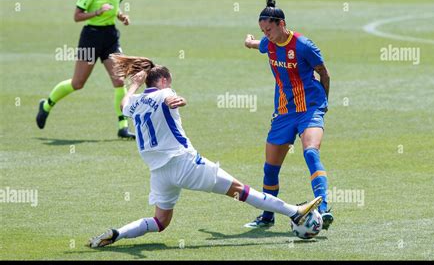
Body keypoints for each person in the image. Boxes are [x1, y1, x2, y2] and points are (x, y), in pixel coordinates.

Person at [88, 54, 322, 248]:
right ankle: (295, 212)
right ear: (165, 80)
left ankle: (117, 233)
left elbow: (123, 104)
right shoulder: (165, 93)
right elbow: (171, 98)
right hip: (186, 164)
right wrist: (177, 100)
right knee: (241, 191)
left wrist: (135, 84)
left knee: (160, 222)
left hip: (159, 173)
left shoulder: (135, 102)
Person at [243, 0, 334, 230]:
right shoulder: (269, 44)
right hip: (283, 113)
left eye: (269, 29)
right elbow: (258, 46)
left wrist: (323, 103)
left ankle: (324, 209)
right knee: (270, 168)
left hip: (310, 109)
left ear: (281, 24)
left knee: (311, 153)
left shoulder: (304, 45)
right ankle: (267, 216)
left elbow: (324, 73)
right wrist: (250, 42)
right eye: (263, 31)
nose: (267, 34)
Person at [35, 0, 135, 139]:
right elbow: (77, 16)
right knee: (78, 83)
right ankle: (47, 104)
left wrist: (121, 16)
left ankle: (123, 126)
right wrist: (96, 12)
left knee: (119, 80)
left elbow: (115, 6)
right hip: (91, 38)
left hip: (110, 37)